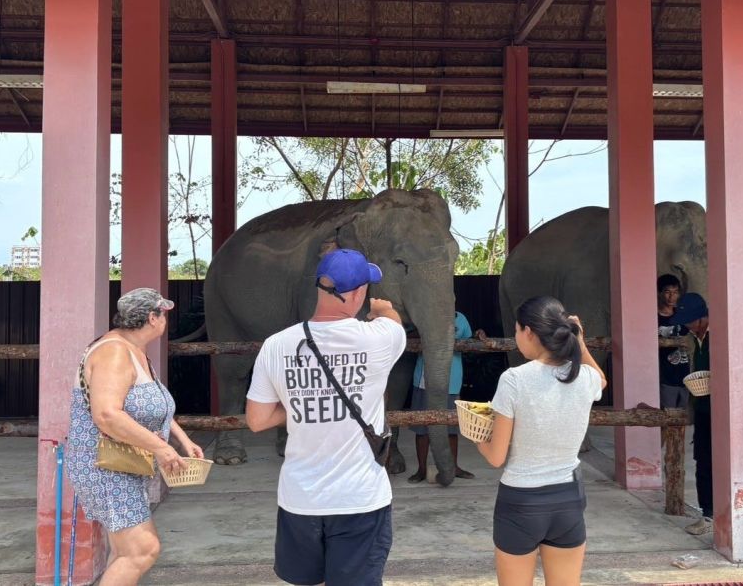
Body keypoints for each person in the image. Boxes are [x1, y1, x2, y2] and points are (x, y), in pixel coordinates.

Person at [245, 248, 407, 586]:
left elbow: (257, 419)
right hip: (360, 499)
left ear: (319, 286)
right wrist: (384, 310)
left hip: (299, 498)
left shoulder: (276, 345)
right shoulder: (380, 338)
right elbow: (394, 325)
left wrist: (300, 402)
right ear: (359, 293)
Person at [66, 287, 205, 586]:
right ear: (152, 318)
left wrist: (180, 439)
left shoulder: (133, 349)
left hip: (123, 466)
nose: (165, 319)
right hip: (103, 467)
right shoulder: (114, 353)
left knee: (124, 552)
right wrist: (161, 448)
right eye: (163, 313)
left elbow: (152, 405)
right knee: (142, 550)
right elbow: (107, 415)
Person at [472, 296, 607, 586]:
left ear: (529, 332)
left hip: (521, 501)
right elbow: (601, 379)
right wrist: (580, 342)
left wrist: (476, 436)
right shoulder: (584, 378)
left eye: (517, 330)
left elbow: (496, 457)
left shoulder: (514, 379)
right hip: (568, 499)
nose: (517, 337)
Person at [408, 310, 475, 483]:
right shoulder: (424, 315)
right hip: (425, 379)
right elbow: (408, 335)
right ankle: (421, 469)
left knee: (451, 427)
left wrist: (478, 336)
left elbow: (469, 341)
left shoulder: (461, 319)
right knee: (422, 427)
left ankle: (454, 466)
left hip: (451, 380)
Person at [669, 292, 713, 536]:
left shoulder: (716, 337)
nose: (686, 325)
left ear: (701, 318)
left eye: (689, 320)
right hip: (702, 408)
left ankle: (717, 514)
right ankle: (707, 514)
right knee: (702, 461)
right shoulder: (695, 339)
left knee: (715, 461)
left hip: (719, 409)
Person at [657, 274, 690, 409]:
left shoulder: (683, 315)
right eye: (667, 292)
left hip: (685, 376)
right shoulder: (654, 317)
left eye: (675, 292)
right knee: (668, 418)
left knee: (682, 419)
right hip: (665, 377)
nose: (672, 297)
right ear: (659, 293)